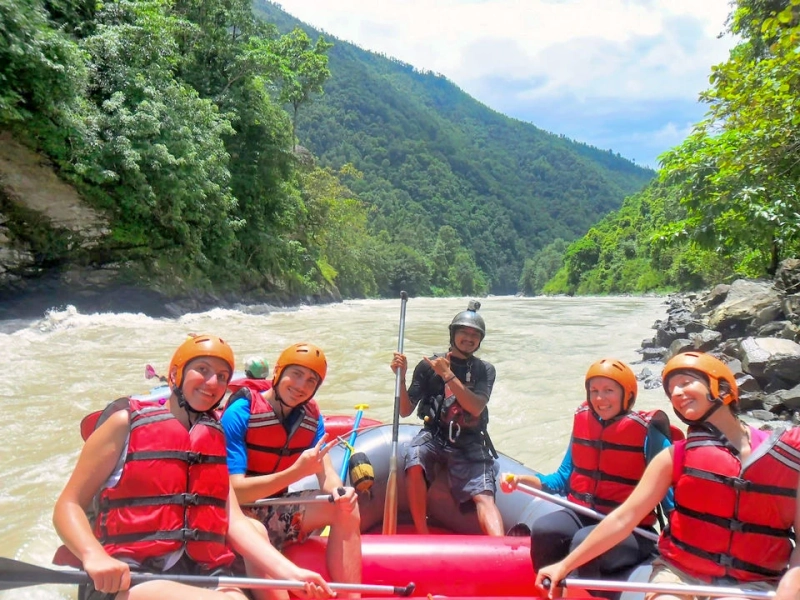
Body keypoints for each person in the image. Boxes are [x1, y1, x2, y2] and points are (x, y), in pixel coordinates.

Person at [53, 334, 333, 600]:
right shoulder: (125, 423)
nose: (212, 382)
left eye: (222, 377)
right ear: (176, 374)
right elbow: (69, 504)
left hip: (203, 572)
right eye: (202, 369)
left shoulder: (213, 435)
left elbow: (234, 521)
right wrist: (93, 554)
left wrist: (292, 573)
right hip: (130, 576)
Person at [535, 351, 800, 600]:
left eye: (686, 383)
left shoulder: (786, 457)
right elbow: (624, 518)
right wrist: (564, 565)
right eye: (671, 389)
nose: (676, 393)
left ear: (722, 389)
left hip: (752, 582)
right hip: (679, 574)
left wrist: (792, 581)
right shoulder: (675, 456)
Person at [502, 359, 674, 586]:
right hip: (582, 514)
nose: (600, 398)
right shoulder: (583, 422)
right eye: (594, 391)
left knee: (584, 542)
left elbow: (670, 499)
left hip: (630, 528)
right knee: (546, 530)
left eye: (609, 390)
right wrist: (523, 481)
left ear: (628, 394)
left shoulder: (649, 435)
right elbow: (562, 479)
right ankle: (547, 590)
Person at [221, 343, 362, 596]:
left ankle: (351, 596)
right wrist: (295, 473)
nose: (301, 386)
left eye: (311, 380)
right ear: (278, 372)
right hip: (237, 518)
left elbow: (326, 474)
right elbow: (236, 492)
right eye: (295, 374)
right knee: (257, 531)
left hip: (276, 509)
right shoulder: (240, 413)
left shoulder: (311, 418)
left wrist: (340, 493)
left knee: (346, 508)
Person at [389, 300, 504, 536]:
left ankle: (499, 546)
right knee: (415, 458)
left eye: (475, 335)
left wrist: (448, 374)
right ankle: (423, 533)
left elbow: (475, 408)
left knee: (484, 493)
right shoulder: (428, 365)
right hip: (435, 435)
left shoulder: (485, 370)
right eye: (464, 332)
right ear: (453, 334)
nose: (469, 338)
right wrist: (400, 378)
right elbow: (405, 410)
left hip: (470, 440)